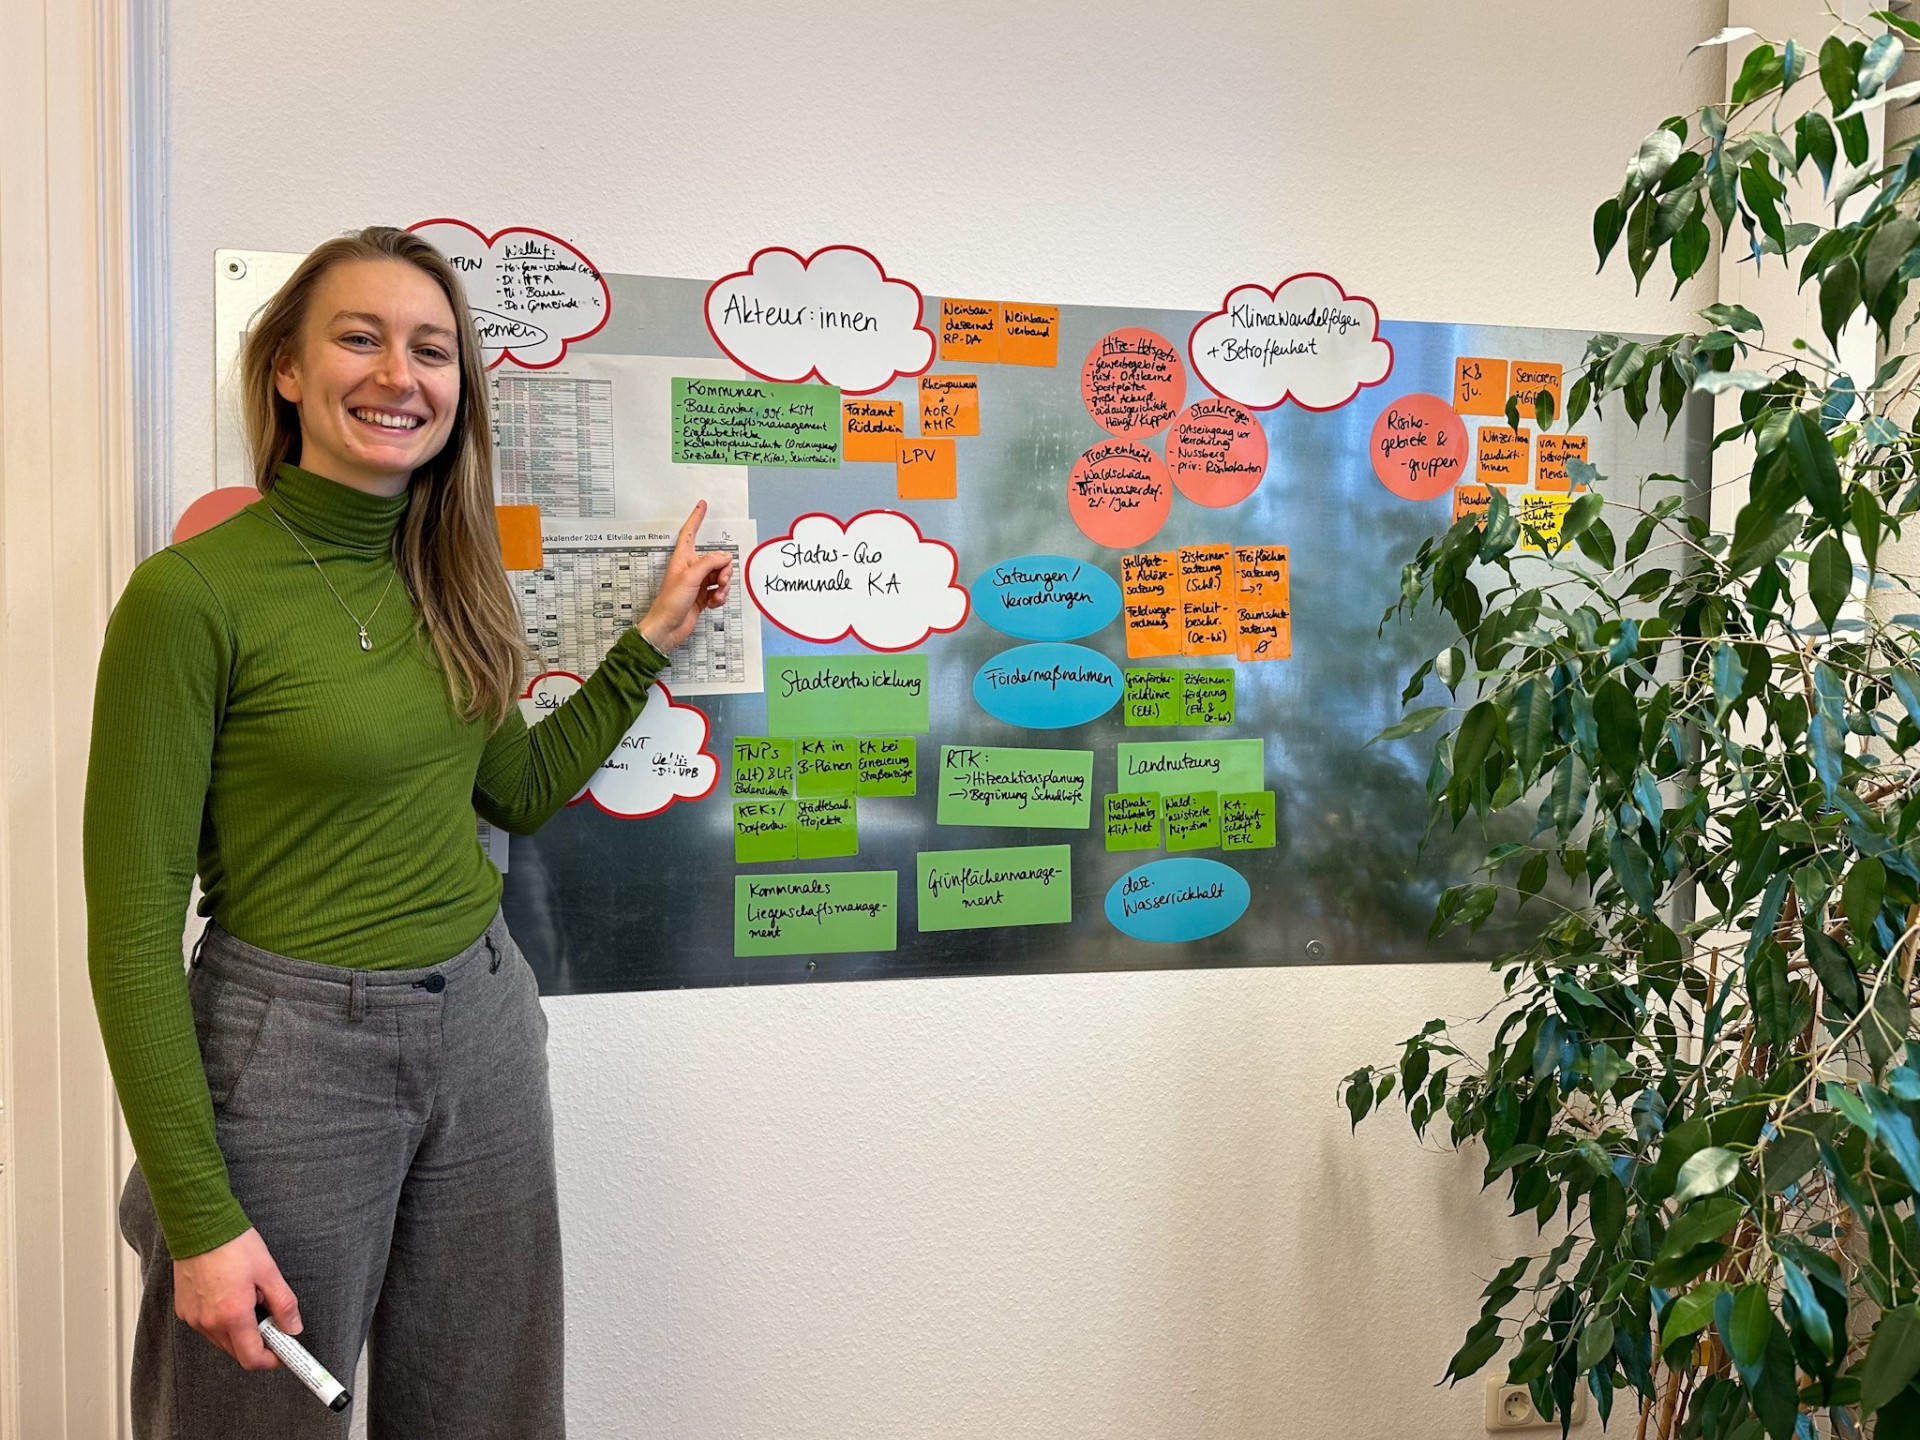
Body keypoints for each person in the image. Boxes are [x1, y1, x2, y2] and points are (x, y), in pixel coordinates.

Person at [84, 224, 732, 1437]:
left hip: (483, 1029)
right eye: (360, 338)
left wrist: (646, 643)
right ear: (287, 368)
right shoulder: (190, 598)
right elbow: (128, 938)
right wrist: (201, 1219)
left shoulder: (451, 575)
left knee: (489, 1412)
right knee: (250, 1419)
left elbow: (516, 791)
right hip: (290, 1056)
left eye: (431, 349)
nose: (400, 374)